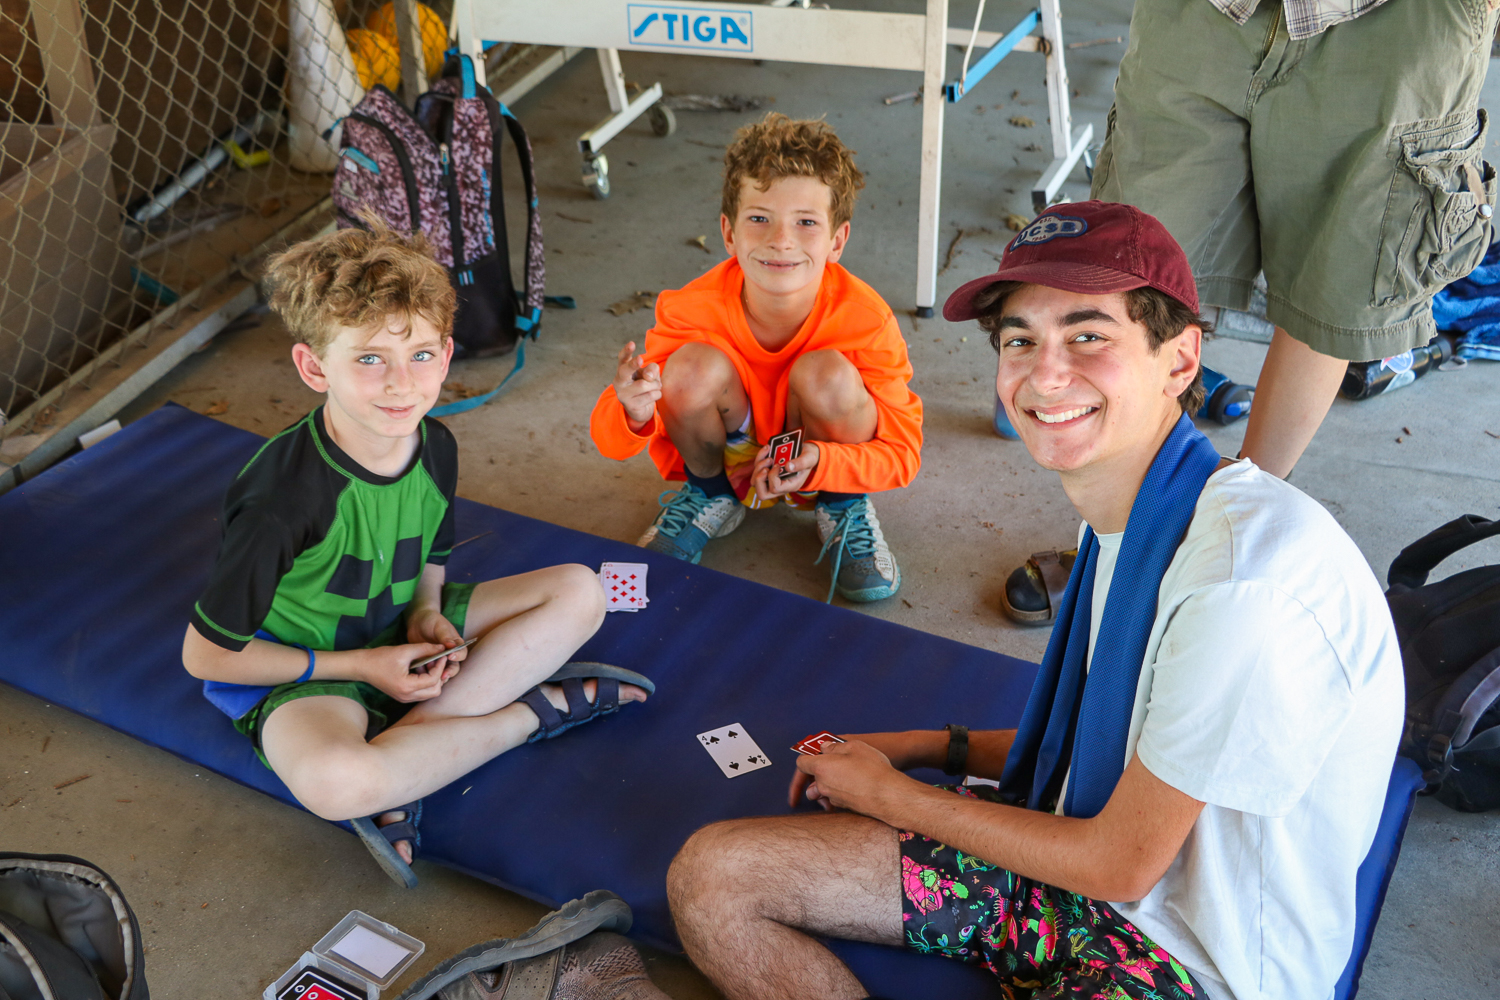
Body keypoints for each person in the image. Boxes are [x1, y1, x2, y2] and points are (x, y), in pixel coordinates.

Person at [666, 202, 1404, 1000]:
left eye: (1088, 336)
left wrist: (892, 796)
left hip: (1195, 962)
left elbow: (1120, 863)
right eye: (1020, 340)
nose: (1045, 375)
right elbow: (1113, 743)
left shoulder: (1240, 586)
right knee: (713, 876)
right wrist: (922, 746)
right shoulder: (1134, 512)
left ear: (1180, 359)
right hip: (1067, 865)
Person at [181, 223, 651, 888]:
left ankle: (411, 758)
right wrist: (361, 667)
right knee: (337, 783)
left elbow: (433, 546)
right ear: (314, 368)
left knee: (582, 590)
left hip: (398, 633)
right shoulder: (281, 501)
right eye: (370, 359)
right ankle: (529, 715)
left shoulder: (434, 445)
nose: (403, 384)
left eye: (421, 354)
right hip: (305, 671)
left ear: (447, 352)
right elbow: (206, 656)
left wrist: (426, 612)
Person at [1093, 0, 1496, 480]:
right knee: (1130, 277)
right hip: (1205, 13)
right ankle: (1131, 512)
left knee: (1333, 292)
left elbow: (1328, 312)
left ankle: (1246, 507)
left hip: (1402, 25)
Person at [589, 113, 923, 603]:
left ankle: (841, 504)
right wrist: (633, 410)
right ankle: (711, 493)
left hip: (816, 456)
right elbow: (611, 439)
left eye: (806, 222)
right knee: (686, 369)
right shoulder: (689, 308)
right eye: (760, 218)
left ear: (837, 241)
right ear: (729, 233)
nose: (781, 240)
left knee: (828, 375)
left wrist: (824, 461)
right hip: (728, 451)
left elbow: (903, 453)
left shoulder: (867, 320)